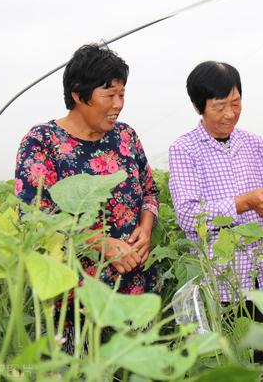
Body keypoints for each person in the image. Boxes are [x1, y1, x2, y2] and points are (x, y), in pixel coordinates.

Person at [15, 43, 160, 352]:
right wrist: (101, 243)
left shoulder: (126, 137)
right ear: (79, 94)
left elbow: (150, 191)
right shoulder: (42, 142)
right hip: (75, 302)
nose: (118, 104)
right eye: (109, 95)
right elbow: (34, 218)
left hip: (135, 289)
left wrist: (145, 228)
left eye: (122, 94)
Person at [168, 61, 263, 312]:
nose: (230, 114)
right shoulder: (185, 149)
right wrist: (244, 203)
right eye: (219, 106)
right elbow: (188, 217)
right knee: (236, 347)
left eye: (235, 103)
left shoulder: (253, 143)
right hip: (223, 281)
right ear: (198, 106)